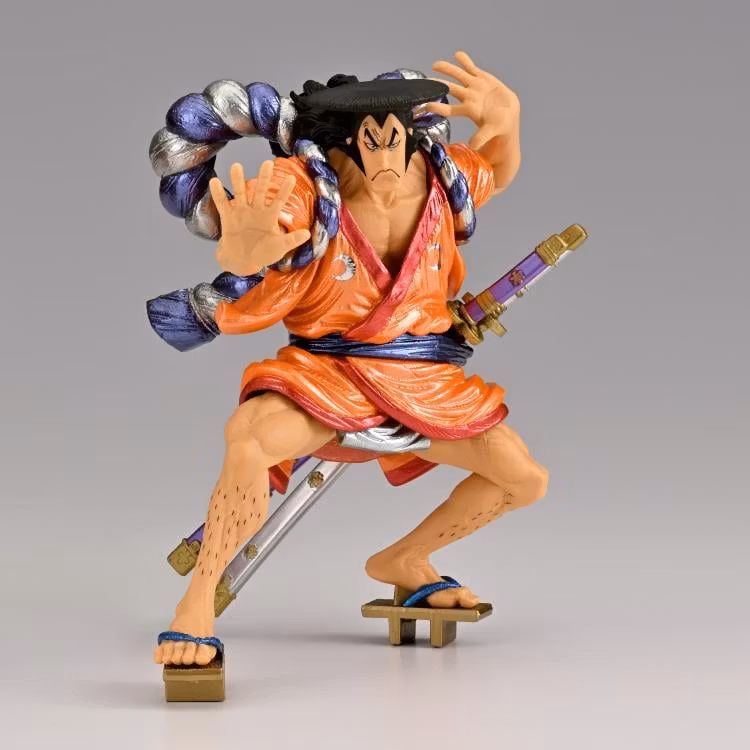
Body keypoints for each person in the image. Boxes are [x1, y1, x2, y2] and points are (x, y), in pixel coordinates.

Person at [154, 52, 548, 668]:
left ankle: (404, 560)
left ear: (411, 133)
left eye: (394, 135)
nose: (385, 152)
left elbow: (495, 165)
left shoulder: (443, 177)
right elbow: (256, 242)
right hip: (325, 372)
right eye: (369, 137)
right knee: (249, 440)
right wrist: (247, 249)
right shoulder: (306, 187)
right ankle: (197, 602)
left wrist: (507, 117)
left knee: (523, 478)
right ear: (344, 141)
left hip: (422, 376)